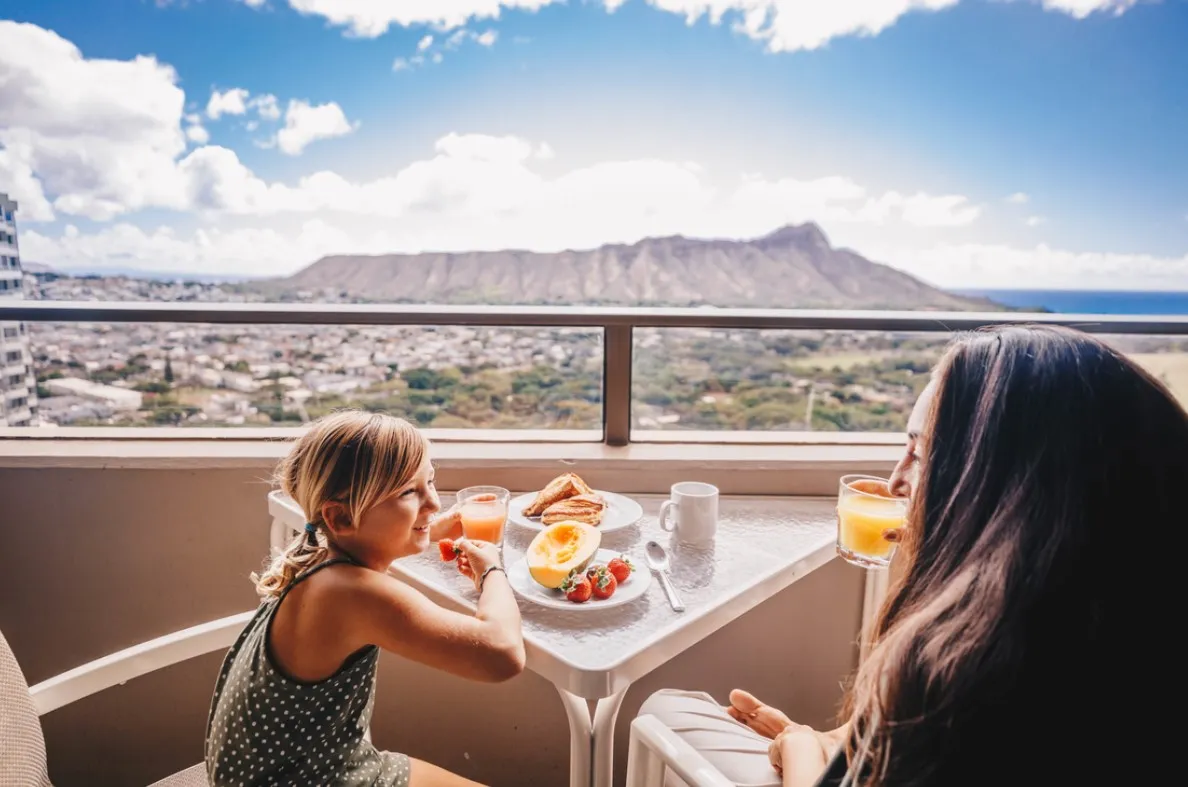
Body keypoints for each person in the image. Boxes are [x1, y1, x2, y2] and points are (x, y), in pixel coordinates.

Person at [639, 325, 1186, 786]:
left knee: (664, 709)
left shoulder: (967, 658)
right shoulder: (1122, 618)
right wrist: (851, 743)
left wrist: (804, 749)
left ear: (1006, 487)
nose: (897, 481)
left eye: (920, 453)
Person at [205, 410, 525, 787]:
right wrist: (492, 570)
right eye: (410, 492)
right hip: (315, 778)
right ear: (340, 517)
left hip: (278, 770)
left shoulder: (317, 553)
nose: (434, 504)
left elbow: (373, 538)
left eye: (431, 483)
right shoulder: (351, 595)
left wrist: (424, 527)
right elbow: (501, 656)